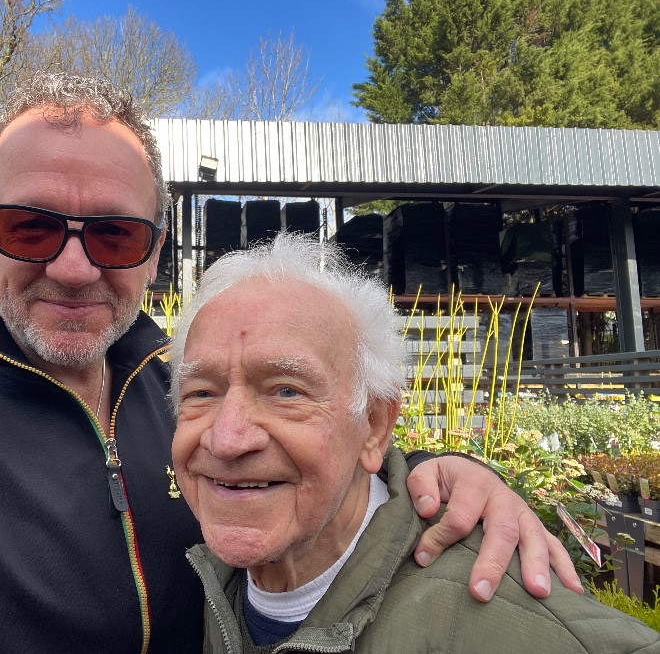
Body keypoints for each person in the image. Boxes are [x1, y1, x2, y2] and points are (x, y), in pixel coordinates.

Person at [0, 73, 579, 654]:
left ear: (154, 254)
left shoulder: (172, 380)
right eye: (27, 227)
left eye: (115, 235)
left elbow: (327, 450)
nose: (73, 269)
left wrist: (442, 476)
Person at [171, 234, 660, 654]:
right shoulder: (197, 583)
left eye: (286, 392)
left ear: (374, 426)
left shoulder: (510, 623)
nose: (227, 439)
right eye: (201, 393)